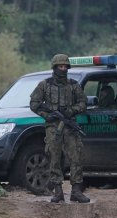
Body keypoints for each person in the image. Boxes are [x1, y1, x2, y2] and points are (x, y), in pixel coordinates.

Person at [29, 53, 90, 203]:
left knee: (76, 157)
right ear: (55, 68)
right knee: (54, 157)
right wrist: (46, 115)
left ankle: (76, 191)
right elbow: (34, 104)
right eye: (60, 67)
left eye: (65, 67)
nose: (63, 69)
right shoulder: (45, 85)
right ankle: (57, 191)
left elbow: (83, 103)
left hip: (69, 126)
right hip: (53, 127)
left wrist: (72, 110)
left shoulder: (74, 85)